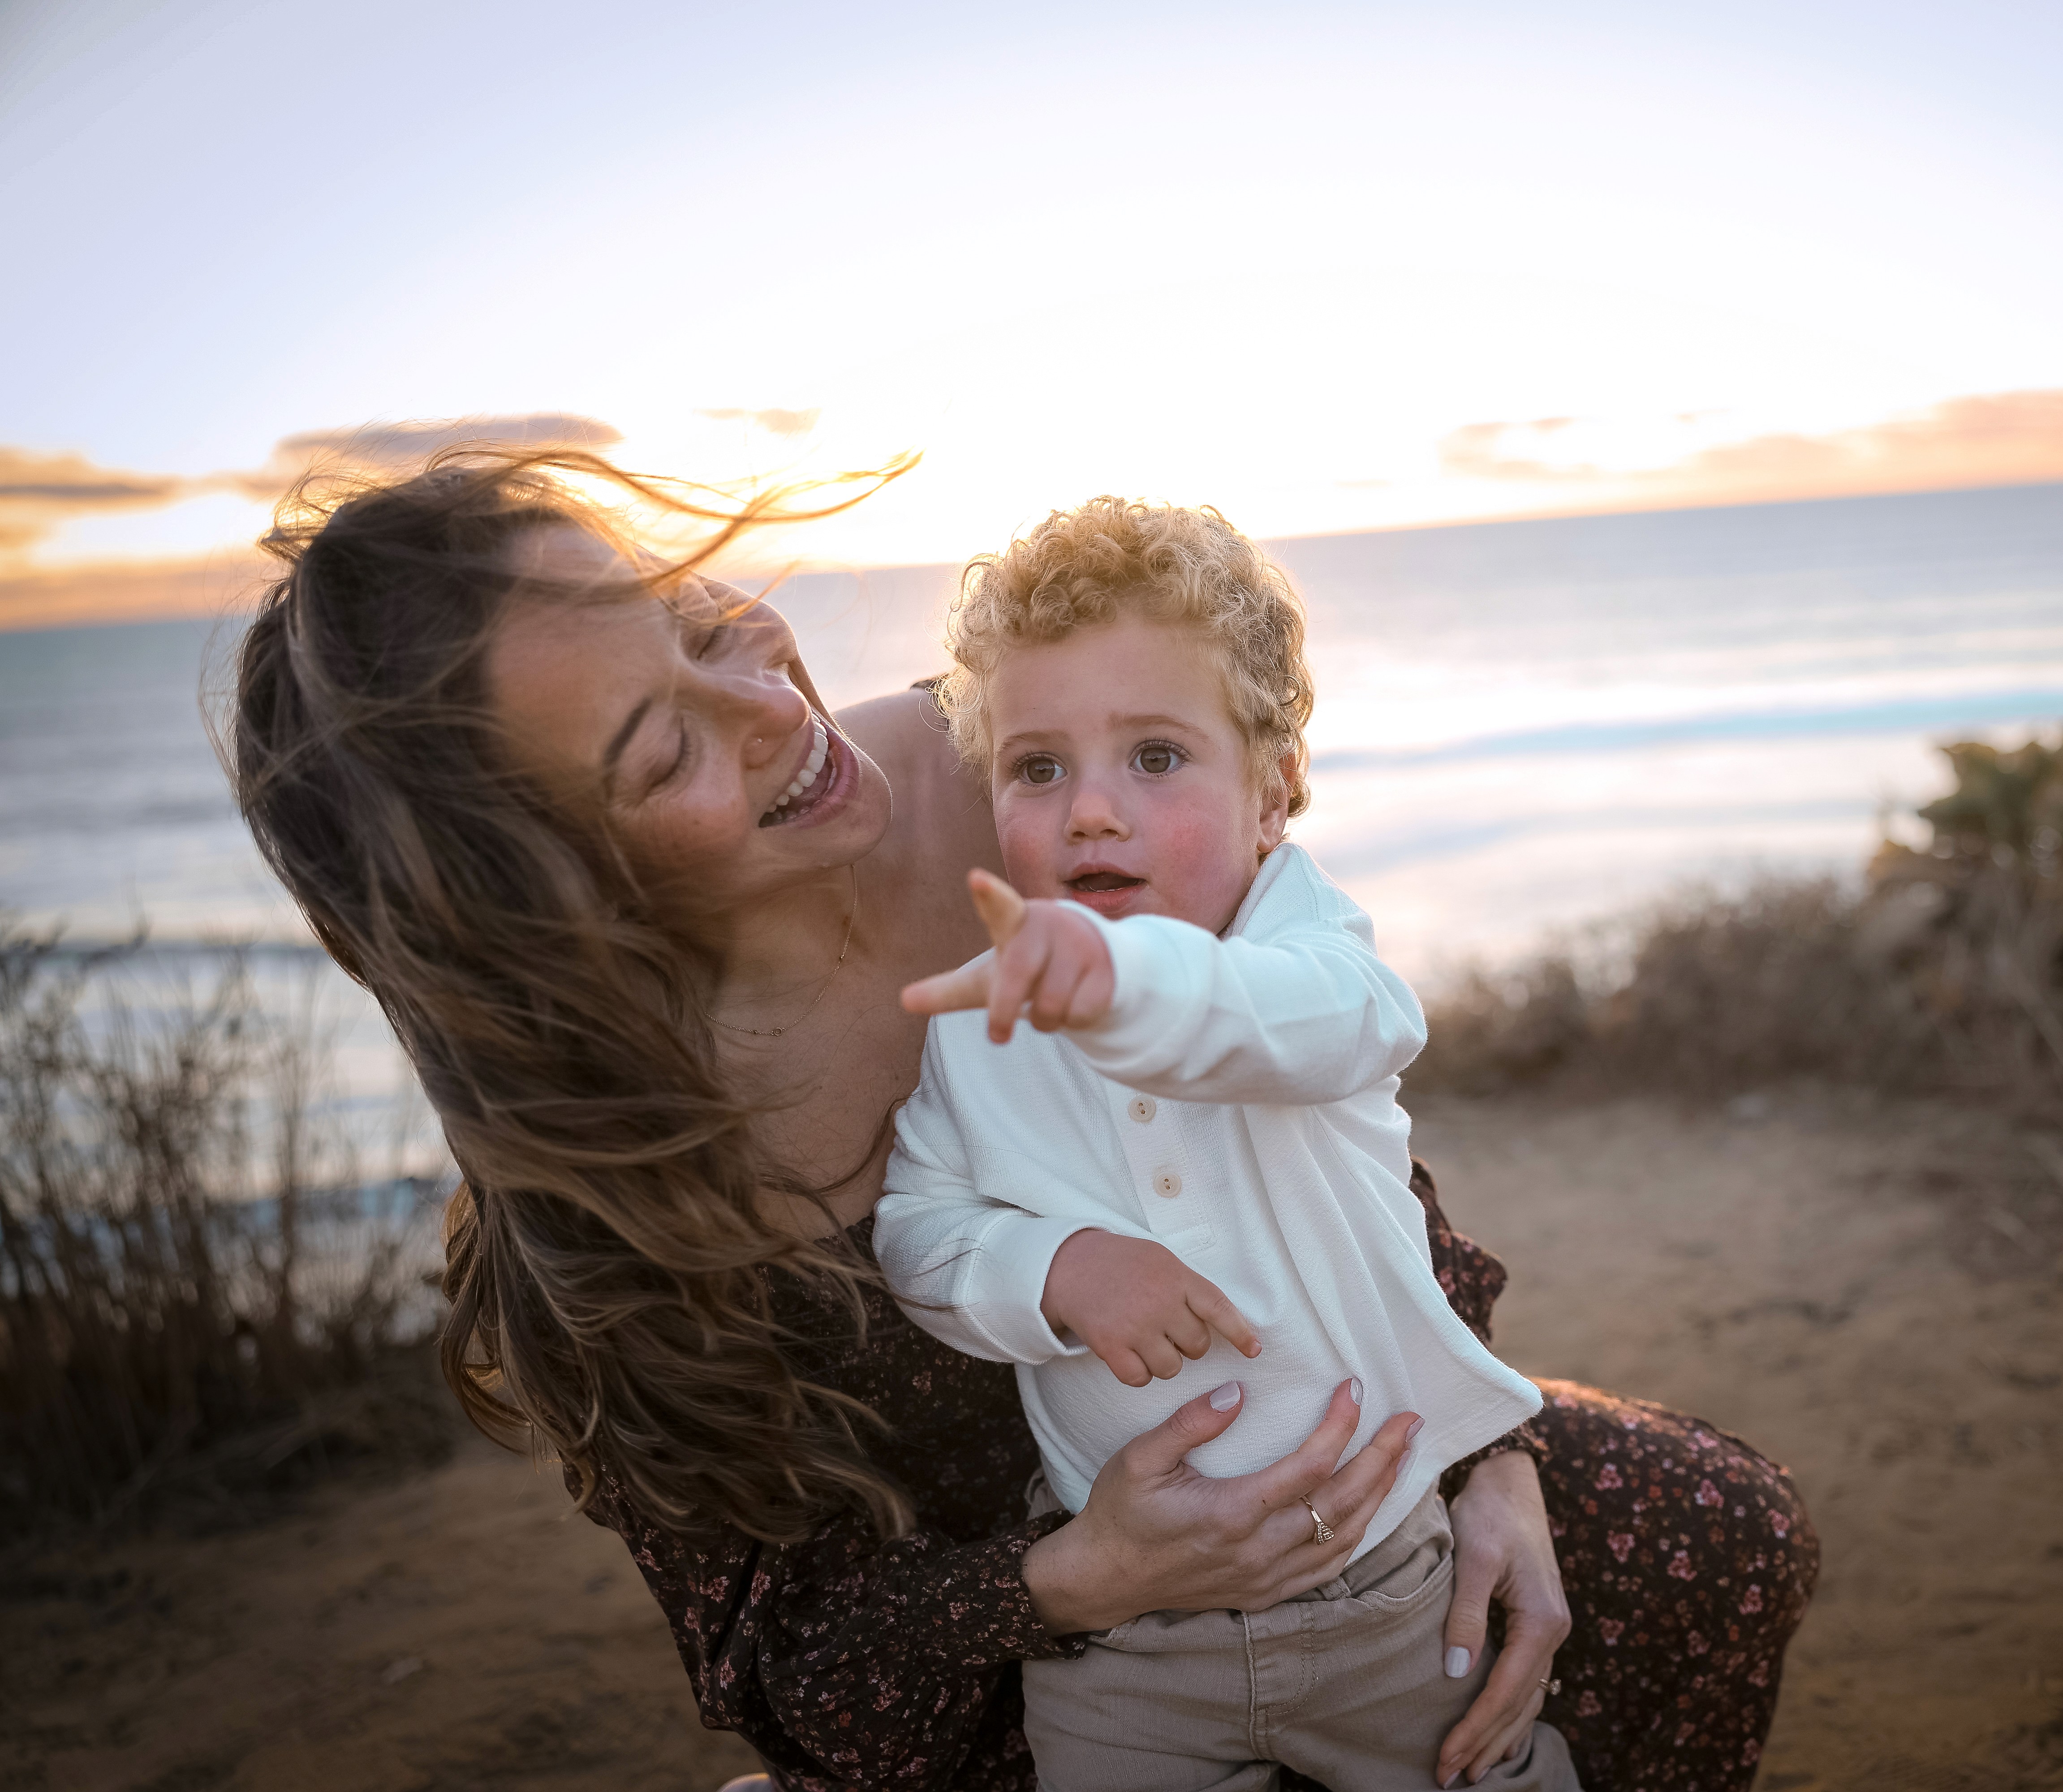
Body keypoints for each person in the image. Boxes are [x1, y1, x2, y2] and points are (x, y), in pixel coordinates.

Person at [227, 449, 1823, 1792]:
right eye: (667, 753)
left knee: (1717, 1535)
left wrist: (1492, 1453)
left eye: (697, 618)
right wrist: (1082, 1578)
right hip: (1021, 1658)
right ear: (551, 900)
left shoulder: (1018, 759)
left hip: (1328, 1459)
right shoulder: (617, 1183)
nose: (767, 704)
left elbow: (1321, 1112)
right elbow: (788, 1660)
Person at [876, 499, 1574, 1790]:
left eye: (1154, 756)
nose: (1090, 811)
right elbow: (916, 1232)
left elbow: (1284, 1031)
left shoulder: (1313, 972)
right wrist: (1056, 1270)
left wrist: (1120, 983)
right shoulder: (981, 1026)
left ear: (1273, 794)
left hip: (1388, 1594)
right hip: (1130, 1650)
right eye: (1037, 768)